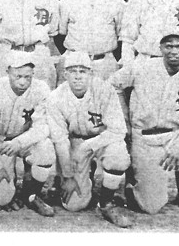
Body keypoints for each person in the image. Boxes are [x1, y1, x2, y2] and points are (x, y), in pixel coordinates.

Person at [108, 28, 179, 233]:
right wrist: (124, 119)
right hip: (145, 137)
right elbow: (112, 85)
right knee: (150, 207)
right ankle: (133, 178)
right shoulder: (141, 67)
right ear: (161, 47)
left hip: (176, 135)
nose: (174, 51)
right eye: (169, 45)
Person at [47, 52, 132, 228]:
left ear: (91, 73)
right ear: (65, 74)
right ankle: (74, 179)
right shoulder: (56, 97)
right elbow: (60, 139)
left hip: (101, 140)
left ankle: (106, 203)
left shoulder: (104, 90)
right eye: (73, 71)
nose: (78, 76)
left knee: (118, 155)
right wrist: (68, 176)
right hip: (74, 142)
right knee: (74, 205)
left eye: (83, 71)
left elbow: (118, 130)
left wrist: (87, 146)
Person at [0, 51, 55, 216]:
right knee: (2, 198)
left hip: (23, 140)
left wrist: (19, 142)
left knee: (46, 148)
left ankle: (31, 194)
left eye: (27, 77)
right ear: (8, 72)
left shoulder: (41, 89)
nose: (23, 82)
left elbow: (43, 127)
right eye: (17, 76)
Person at [55, 0, 125, 82]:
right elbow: (60, 36)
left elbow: (122, 36)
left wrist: (113, 58)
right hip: (75, 63)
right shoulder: (67, 1)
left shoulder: (117, 1)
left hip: (104, 63)